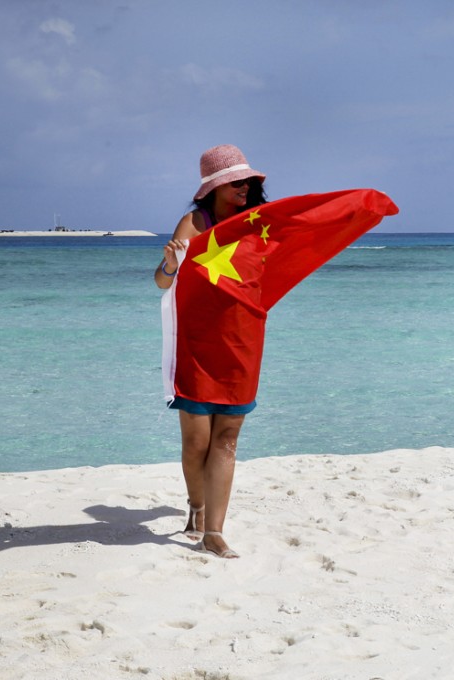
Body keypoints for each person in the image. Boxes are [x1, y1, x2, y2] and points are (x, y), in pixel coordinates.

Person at [154, 144, 268, 559]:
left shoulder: (259, 224)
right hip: (198, 343)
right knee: (196, 441)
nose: (245, 188)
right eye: (237, 182)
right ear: (215, 187)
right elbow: (163, 283)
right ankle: (197, 507)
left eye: (249, 182)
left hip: (242, 340)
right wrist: (169, 264)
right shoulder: (195, 222)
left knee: (227, 438)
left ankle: (214, 532)